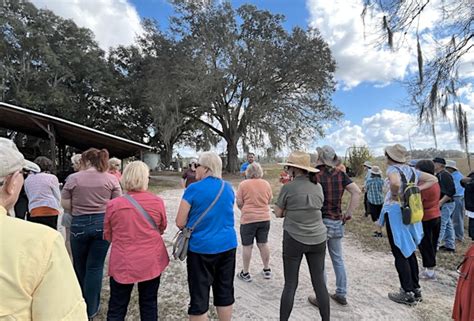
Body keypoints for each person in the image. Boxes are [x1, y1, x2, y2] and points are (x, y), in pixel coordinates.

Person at [0, 137, 87, 320]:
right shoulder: (43, 242)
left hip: (35, 211)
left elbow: (30, 195)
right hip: (51, 210)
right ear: (11, 183)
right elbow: (57, 195)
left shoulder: (31, 181)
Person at [61, 148, 122, 319]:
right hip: (102, 224)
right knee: (95, 266)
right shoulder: (111, 179)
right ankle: (91, 308)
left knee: (79, 265)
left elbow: (65, 203)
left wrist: (80, 208)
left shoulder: (73, 178)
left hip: (78, 223)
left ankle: (78, 301)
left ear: (86, 160)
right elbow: (117, 202)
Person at [176, 151, 237, 321]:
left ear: (206, 168)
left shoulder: (193, 189)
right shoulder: (228, 187)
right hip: (227, 245)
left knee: (199, 296)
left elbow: (180, 222)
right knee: (224, 291)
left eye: (197, 166)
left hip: (201, 248)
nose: (195, 170)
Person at [105, 161, 169, 321]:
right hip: (150, 260)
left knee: (117, 306)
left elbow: (108, 235)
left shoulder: (113, 205)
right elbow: (162, 228)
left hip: (123, 260)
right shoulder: (156, 202)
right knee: (149, 303)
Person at [379, 144, 437, 305]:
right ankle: (416, 288)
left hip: (397, 213)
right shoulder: (412, 170)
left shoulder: (392, 170)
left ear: (389, 157)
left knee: (400, 251)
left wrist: (396, 195)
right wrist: (416, 189)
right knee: (410, 250)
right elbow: (433, 179)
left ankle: (407, 292)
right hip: (411, 211)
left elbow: (395, 183)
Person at [274, 151, 329, 321]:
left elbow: (278, 213)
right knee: (319, 282)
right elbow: (317, 206)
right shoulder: (318, 186)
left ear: (293, 169)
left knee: (290, 284)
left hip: (294, 237)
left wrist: (290, 210)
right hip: (318, 238)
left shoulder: (288, 187)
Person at [308, 145, 361, 307]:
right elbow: (356, 192)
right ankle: (341, 293)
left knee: (319, 261)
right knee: (338, 259)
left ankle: (321, 296)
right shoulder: (341, 174)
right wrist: (348, 213)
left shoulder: (314, 175)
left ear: (320, 158)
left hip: (319, 221)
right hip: (337, 220)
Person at [236, 162, 273, 282]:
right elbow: (269, 199)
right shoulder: (266, 184)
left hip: (248, 219)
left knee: (247, 246)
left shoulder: (243, 184)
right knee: (263, 243)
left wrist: (244, 210)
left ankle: (246, 272)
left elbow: (239, 202)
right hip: (264, 218)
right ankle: (267, 269)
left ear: (248, 172)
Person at [415, 160, 441, 280]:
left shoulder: (424, 185)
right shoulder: (435, 182)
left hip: (426, 217)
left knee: (425, 244)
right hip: (436, 215)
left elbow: (418, 202)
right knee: (432, 243)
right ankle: (430, 267)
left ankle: (429, 271)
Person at [24, 156, 61, 230]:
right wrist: (58, 206)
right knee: (51, 233)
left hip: (34, 209)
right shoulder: (52, 178)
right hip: (51, 209)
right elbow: (57, 195)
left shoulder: (28, 179)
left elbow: (28, 195)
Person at [433, 157, 456, 252]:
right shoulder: (440, 174)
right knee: (448, 224)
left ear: (439, 165)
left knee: (441, 224)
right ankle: (450, 245)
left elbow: (451, 191)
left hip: (446, 203)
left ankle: (435, 246)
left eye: (434, 163)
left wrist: (440, 202)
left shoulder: (444, 175)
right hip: (446, 203)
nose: (432, 164)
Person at [61, 153, 82, 257]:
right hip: (84, 213)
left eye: (73, 164)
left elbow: (65, 197)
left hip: (70, 212)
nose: (72, 166)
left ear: (79, 164)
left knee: (69, 238)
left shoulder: (71, 178)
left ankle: (71, 259)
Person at [446, 160, 465, 243]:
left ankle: (459, 236)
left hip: (457, 198)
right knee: (451, 218)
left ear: (450, 168)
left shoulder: (456, 177)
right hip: (456, 197)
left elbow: (455, 190)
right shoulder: (455, 175)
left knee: (457, 218)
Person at [365, 165, 384, 237]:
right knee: (379, 216)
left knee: (374, 217)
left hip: (372, 201)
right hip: (380, 200)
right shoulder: (382, 180)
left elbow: (366, 189)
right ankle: (378, 230)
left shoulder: (369, 181)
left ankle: (379, 232)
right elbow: (383, 189)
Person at [461, 172, 474, 242]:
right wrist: (463, 181)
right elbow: (463, 183)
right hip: (471, 205)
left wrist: (470, 181)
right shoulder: (472, 174)